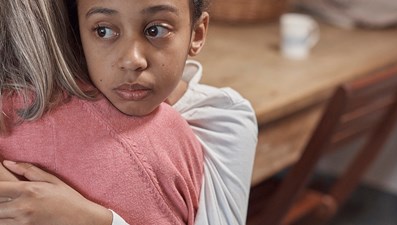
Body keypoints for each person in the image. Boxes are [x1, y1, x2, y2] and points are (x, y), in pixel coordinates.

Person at [0, 0, 258, 224]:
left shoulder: (223, 117)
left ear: (197, 33)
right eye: (103, 31)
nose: (132, 60)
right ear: (76, 36)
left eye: (156, 30)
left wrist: (94, 220)